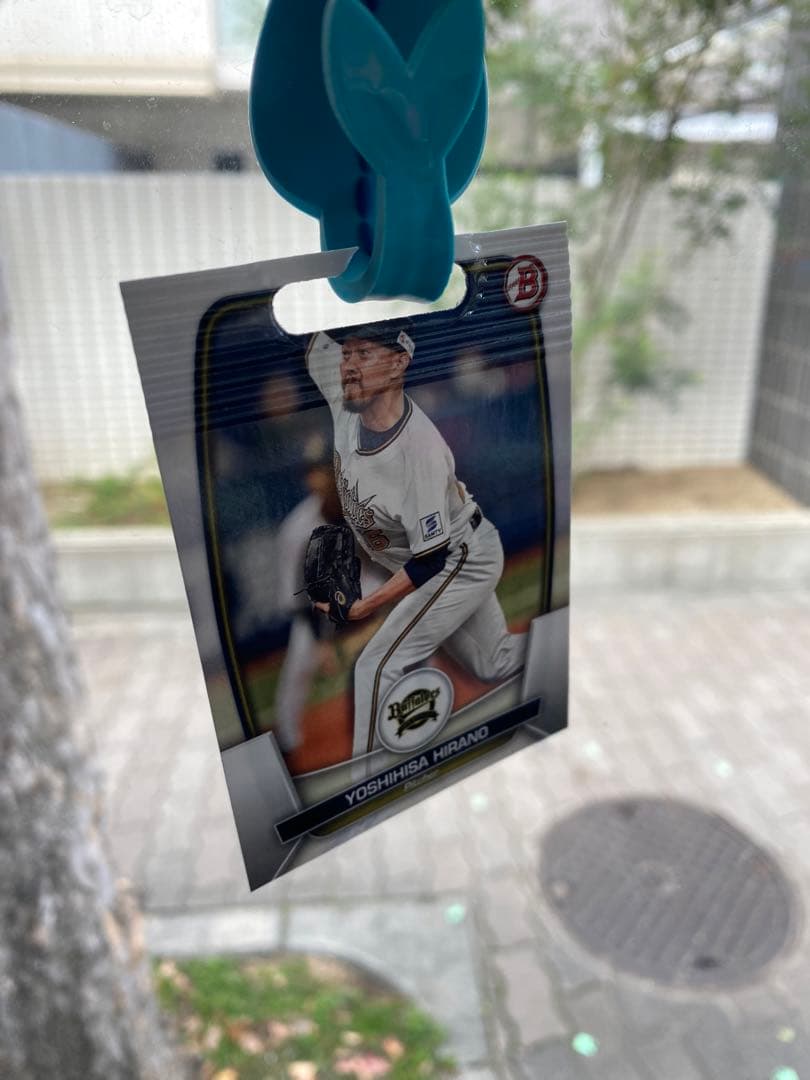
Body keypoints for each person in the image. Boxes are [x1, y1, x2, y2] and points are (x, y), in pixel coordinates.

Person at [305, 324, 527, 767]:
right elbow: (309, 343)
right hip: (440, 556)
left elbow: (431, 561)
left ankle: (362, 784)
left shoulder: (418, 451)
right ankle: (561, 645)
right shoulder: (347, 394)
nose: (348, 365)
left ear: (398, 364)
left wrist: (364, 608)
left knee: (375, 665)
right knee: (493, 662)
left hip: (459, 560)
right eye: (346, 354)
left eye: (363, 354)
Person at [273, 445, 343, 754]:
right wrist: (322, 643)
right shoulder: (298, 529)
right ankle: (288, 739)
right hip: (307, 601)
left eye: (323, 470)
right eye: (313, 472)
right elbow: (301, 595)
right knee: (302, 664)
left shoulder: (347, 499)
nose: (319, 477)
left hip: (347, 580)